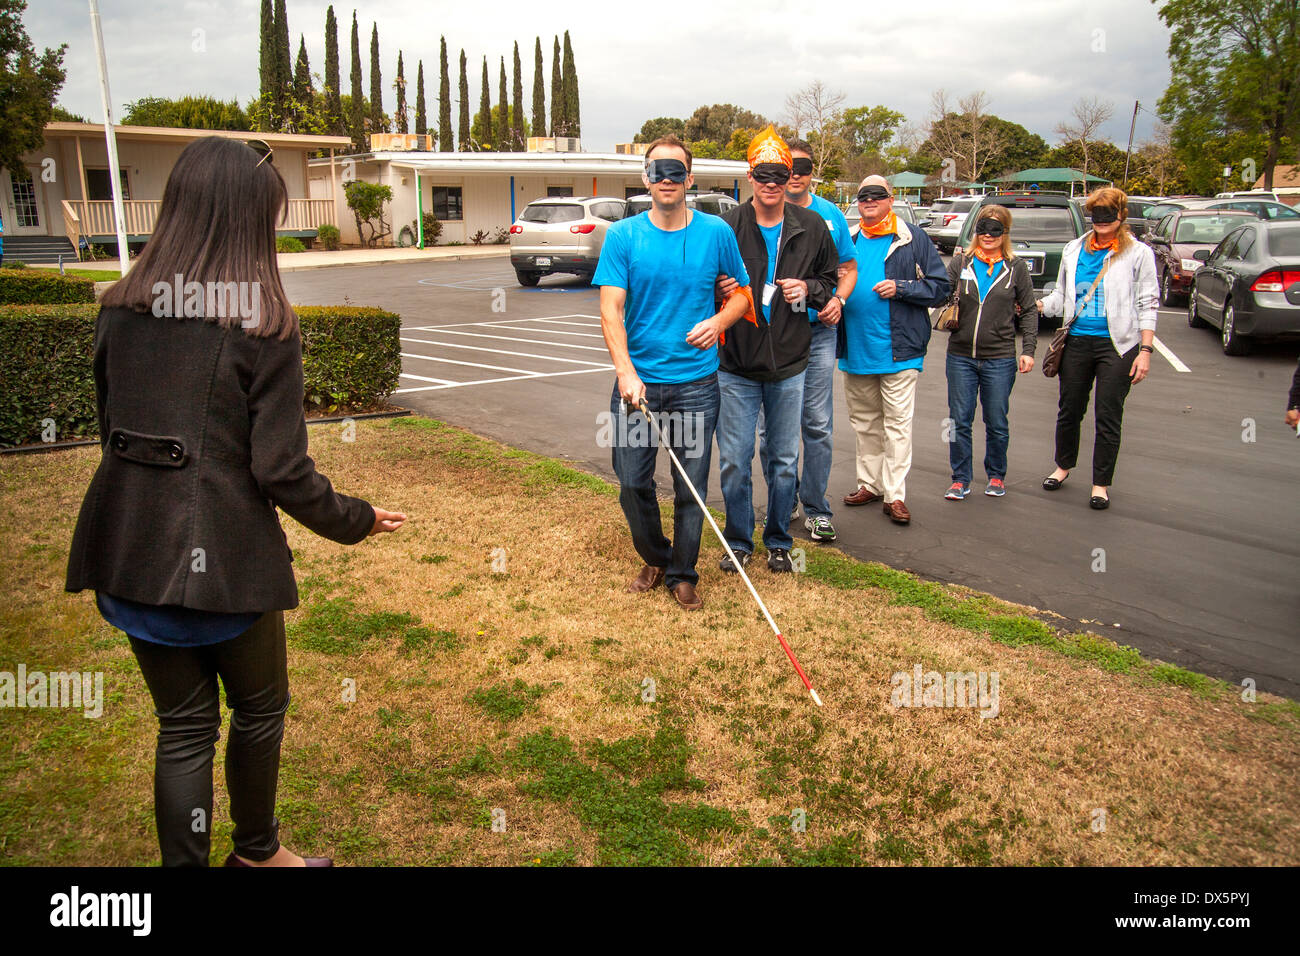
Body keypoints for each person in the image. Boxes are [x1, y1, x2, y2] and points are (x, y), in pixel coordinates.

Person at [65, 137, 406, 867]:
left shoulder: (118, 309)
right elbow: (281, 470)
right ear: (251, 218)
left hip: (129, 550)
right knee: (258, 710)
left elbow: (110, 433)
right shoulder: (263, 327)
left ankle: (244, 858)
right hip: (223, 569)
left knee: (183, 727)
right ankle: (258, 855)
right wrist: (357, 520)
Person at [595, 135, 753, 611]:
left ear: (689, 178)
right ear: (645, 178)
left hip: (696, 385)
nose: (666, 180)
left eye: (675, 171)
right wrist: (625, 372)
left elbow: (743, 294)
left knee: (691, 487)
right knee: (631, 482)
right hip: (637, 386)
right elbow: (610, 310)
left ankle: (683, 573)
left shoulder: (716, 233)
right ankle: (657, 555)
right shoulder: (624, 237)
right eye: (657, 171)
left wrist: (720, 319)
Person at [715, 126, 838, 572]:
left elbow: (830, 281)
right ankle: (739, 540)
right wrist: (720, 288)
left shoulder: (812, 226)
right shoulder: (726, 225)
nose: (771, 184)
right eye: (763, 175)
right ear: (750, 177)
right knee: (733, 460)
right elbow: (701, 283)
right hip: (735, 364)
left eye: (780, 176)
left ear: (791, 179)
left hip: (789, 363)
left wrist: (807, 287)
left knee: (785, 460)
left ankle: (779, 541)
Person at [757, 139, 858, 542]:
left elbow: (848, 268)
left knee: (816, 423)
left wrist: (838, 298)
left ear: (812, 171)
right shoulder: (761, 212)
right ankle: (785, 500)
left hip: (816, 333)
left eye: (803, 167)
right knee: (771, 431)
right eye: (787, 167)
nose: (795, 174)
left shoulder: (829, 216)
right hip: (771, 336)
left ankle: (817, 507)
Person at [1037, 186, 1158, 510]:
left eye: (1108, 214)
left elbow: (1148, 303)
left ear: (1121, 216)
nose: (1101, 221)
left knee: (1107, 414)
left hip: (1118, 346)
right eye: (1095, 214)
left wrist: (1145, 351)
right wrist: (1037, 305)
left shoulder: (1138, 253)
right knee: (1069, 409)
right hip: (1076, 341)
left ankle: (1100, 484)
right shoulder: (1074, 249)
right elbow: (1061, 296)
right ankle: (1063, 467)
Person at [839, 175, 950, 525]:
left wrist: (901, 288)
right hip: (856, 349)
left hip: (900, 351)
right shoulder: (849, 238)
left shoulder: (912, 238)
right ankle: (869, 484)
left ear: (890, 198)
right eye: (863, 195)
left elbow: (939, 288)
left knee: (897, 426)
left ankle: (895, 494)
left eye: (877, 195)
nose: (869, 201)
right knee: (865, 424)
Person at [942, 204, 1038, 500]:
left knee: (996, 420)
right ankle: (960, 478)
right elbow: (938, 293)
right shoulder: (961, 263)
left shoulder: (1016, 267)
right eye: (982, 228)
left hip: (1000, 357)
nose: (987, 235)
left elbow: (1030, 310)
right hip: (960, 356)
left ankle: (996, 475)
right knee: (958, 419)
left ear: (1005, 232)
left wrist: (1029, 349)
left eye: (995, 228)